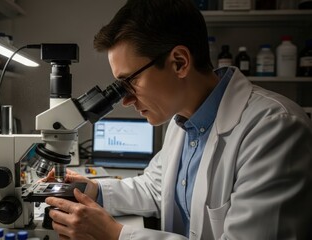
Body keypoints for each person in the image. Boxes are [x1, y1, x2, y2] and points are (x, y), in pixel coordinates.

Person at [43, 0, 312, 239]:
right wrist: (92, 190)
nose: (125, 99)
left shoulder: (274, 128)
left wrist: (115, 235)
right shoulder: (182, 122)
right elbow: (155, 188)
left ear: (180, 62)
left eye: (130, 81)